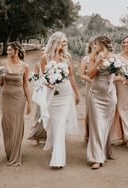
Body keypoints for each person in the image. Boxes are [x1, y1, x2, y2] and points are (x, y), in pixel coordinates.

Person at [40, 31, 80, 168]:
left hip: (66, 93)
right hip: (52, 94)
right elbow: (43, 78)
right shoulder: (45, 57)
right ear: (56, 42)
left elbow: (72, 77)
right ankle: (54, 144)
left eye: (65, 42)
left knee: (61, 122)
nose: (65, 45)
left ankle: (57, 158)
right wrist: (49, 84)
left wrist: (77, 93)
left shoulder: (67, 56)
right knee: (54, 123)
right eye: (63, 42)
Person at [87, 36, 118, 169]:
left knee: (105, 125)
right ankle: (96, 158)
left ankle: (103, 152)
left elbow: (117, 74)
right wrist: (98, 61)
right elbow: (90, 74)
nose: (94, 46)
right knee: (96, 126)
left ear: (102, 44)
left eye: (96, 43)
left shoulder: (115, 57)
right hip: (95, 95)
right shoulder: (94, 56)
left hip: (109, 95)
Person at [0, 41, 31, 166]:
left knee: (17, 124)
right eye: (8, 50)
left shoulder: (25, 66)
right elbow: (1, 82)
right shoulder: (3, 64)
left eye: (10, 50)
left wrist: (29, 103)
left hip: (18, 98)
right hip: (6, 97)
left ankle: (16, 156)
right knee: (7, 125)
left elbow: (26, 85)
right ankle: (10, 150)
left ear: (16, 51)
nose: (8, 52)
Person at [28, 47, 47, 145]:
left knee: (49, 113)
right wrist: (34, 81)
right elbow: (35, 78)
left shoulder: (53, 64)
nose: (43, 52)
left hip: (50, 91)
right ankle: (35, 136)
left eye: (45, 51)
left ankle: (48, 136)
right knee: (39, 113)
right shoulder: (37, 65)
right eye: (42, 51)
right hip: (41, 90)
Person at [80, 37, 94, 144]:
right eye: (93, 44)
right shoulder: (86, 59)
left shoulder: (104, 59)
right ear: (90, 46)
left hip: (102, 89)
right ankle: (87, 133)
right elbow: (82, 75)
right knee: (89, 111)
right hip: (90, 87)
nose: (94, 46)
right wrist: (91, 81)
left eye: (97, 44)